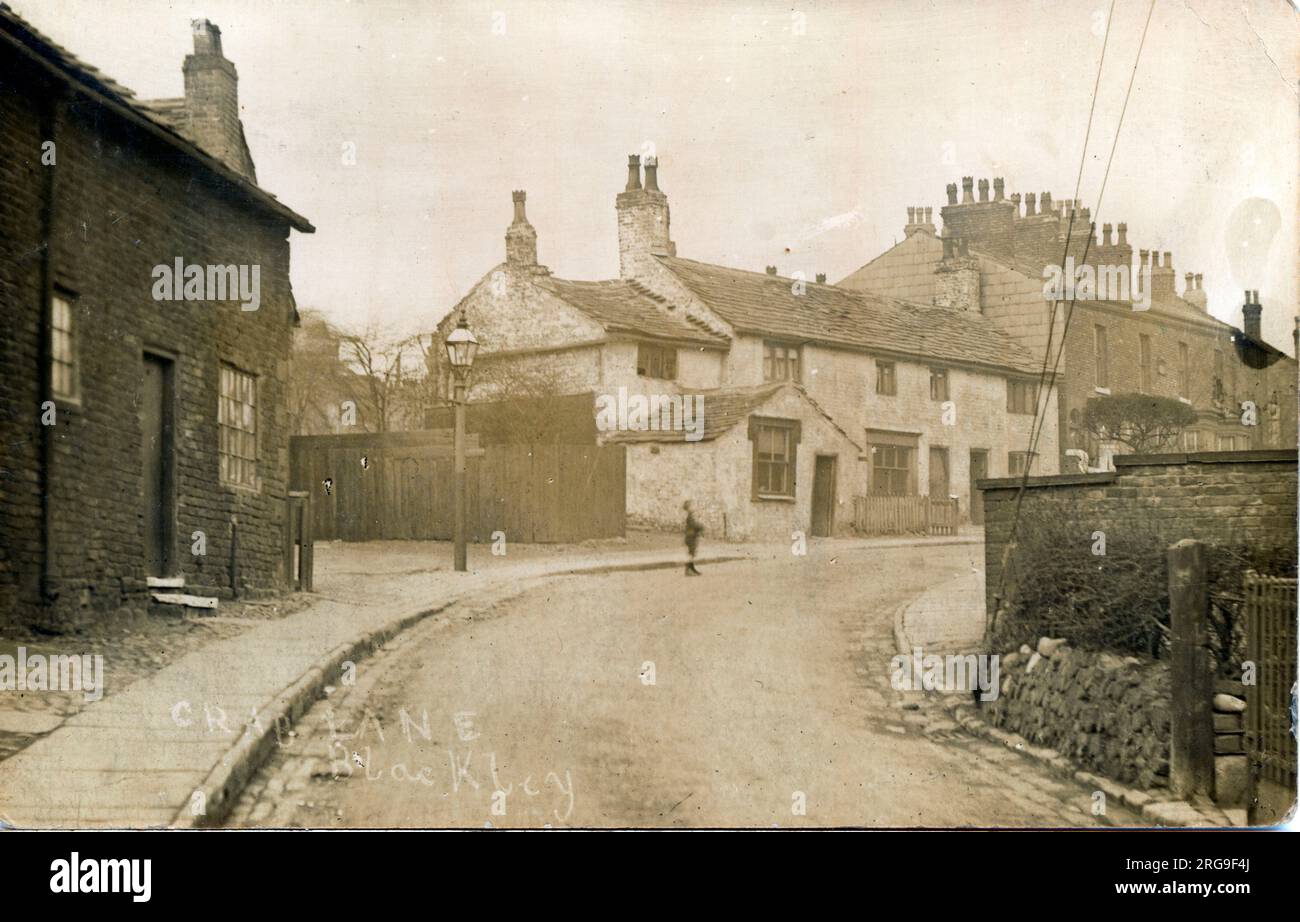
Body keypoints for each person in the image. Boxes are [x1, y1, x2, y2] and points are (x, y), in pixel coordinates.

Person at [683, 500, 703, 576]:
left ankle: (692, 568)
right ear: (688, 508)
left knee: (692, 553)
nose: (694, 507)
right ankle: (688, 569)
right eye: (692, 506)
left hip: (692, 536)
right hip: (690, 537)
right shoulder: (690, 516)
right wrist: (700, 526)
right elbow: (693, 525)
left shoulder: (691, 515)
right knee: (691, 554)